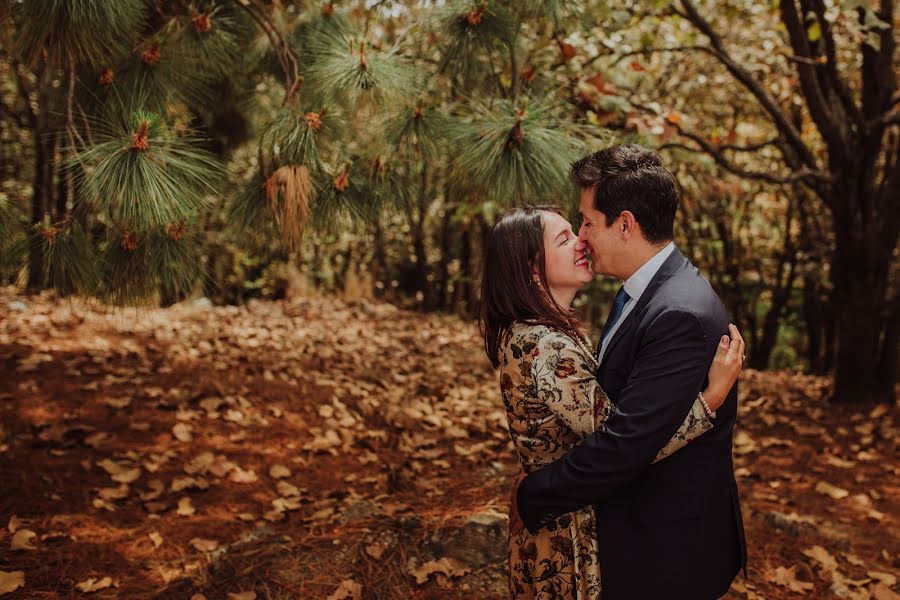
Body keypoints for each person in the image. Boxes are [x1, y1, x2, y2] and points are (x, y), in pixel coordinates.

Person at [513, 145, 748, 599]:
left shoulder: (678, 312)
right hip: (642, 535)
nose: (582, 236)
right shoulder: (645, 292)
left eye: (586, 221)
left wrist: (535, 495)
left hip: (666, 549)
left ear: (624, 224)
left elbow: (626, 443)